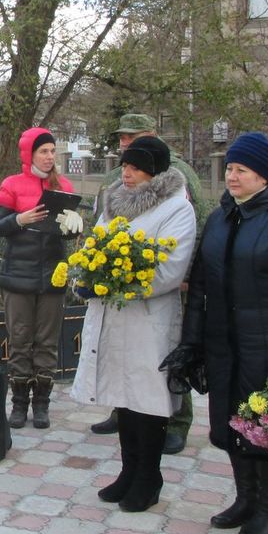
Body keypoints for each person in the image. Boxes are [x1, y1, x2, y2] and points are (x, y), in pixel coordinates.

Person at [177, 132, 268, 534]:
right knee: (233, 424)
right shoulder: (222, 216)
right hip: (226, 344)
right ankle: (245, 498)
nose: (232, 177)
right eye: (229, 169)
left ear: (265, 174)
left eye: (242, 170)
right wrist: (193, 343)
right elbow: (201, 285)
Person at [71, 136, 197, 512]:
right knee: (123, 399)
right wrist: (89, 272)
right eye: (125, 166)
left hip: (148, 319)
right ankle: (128, 471)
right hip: (113, 315)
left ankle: (149, 477)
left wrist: (118, 282)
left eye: (136, 167)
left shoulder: (177, 208)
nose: (126, 173)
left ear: (154, 171)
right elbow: (97, 243)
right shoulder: (113, 201)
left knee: (147, 399)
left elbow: (171, 267)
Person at [91, 112, 206, 453]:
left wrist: (185, 276)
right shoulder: (119, 177)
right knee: (125, 362)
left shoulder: (178, 175)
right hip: (120, 295)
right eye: (123, 137)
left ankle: (177, 420)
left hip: (163, 287)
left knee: (165, 360)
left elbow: (192, 227)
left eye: (134, 136)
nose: (126, 142)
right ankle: (120, 409)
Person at [0, 126, 83, 429]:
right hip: (19, 275)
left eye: (52, 151)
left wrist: (76, 225)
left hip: (52, 276)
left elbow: (68, 233)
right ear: (29, 153)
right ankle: (18, 405)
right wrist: (20, 219)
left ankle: (41, 405)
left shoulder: (63, 185)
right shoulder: (12, 185)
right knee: (19, 341)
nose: (49, 157)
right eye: (44, 151)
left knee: (46, 343)